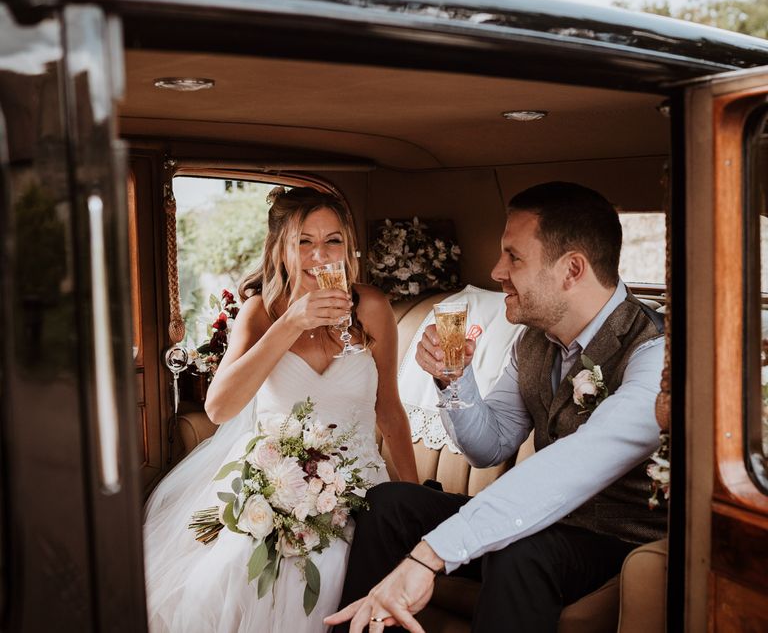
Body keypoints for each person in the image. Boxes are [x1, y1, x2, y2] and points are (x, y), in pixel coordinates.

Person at [326, 181, 666, 633]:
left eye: (514, 257)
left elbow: (578, 464)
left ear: (573, 269)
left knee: (521, 553)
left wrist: (429, 556)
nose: (496, 269)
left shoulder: (655, 353)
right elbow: (490, 447)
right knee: (387, 504)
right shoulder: (532, 342)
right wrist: (453, 381)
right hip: (537, 522)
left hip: (614, 541)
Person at [144, 186, 419, 633]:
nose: (320, 255)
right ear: (281, 250)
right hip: (274, 489)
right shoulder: (260, 313)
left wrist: (414, 502)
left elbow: (388, 407)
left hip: (361, 490)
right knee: (231, 574)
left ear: (348, 248)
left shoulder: (371, 308)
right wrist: (291, 323)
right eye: (304, 242)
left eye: (333, 240)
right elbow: (218, 408)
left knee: (340, 568)